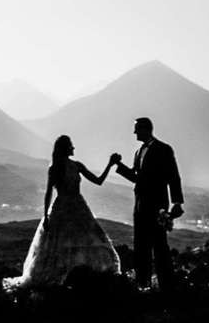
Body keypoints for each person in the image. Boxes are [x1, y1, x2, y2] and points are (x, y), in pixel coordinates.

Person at [17, 135, 122, 287]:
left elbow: (98, 181)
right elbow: (49, 192)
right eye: (71, 146)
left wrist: (110, 164)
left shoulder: (75, 166)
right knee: (72, 242)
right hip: (68, 208)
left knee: (72, 242)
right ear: (65, 148)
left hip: (75, 207)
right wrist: (45, 216)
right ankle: (71, 278)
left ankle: (79, 276)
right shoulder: (56, 168)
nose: (73, 148)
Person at [109, 115, 183, 291]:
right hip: (140, 206)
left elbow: (173, 175)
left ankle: (167, 286)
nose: (134, 132)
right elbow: (137, 178)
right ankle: (143, 285)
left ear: (145, 129)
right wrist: (118, 165)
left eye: (136, 128)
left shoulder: (164, 149)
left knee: (159, 246)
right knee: (141, 246)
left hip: (157, 205)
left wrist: (177, 202)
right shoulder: (138, 152)